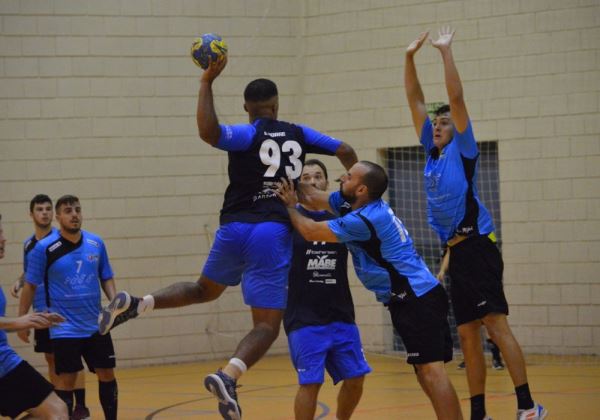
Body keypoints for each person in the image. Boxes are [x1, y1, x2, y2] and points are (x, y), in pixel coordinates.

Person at [97, 55, 357, 420]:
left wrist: (206, 82)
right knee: (266, 325)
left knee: (205, 289)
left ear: (248, 109)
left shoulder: (248, 133)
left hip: (233, 228)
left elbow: (209, 132)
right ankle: (228, 375)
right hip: (271, 230)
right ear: (277, 104)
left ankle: (141, 302)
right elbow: (345, 151)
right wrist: (351, 199)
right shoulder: (300, 133)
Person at [404, 26, 547, 420]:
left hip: (479, 245)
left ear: (457, 129)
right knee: (467, 335)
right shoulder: (430, 153)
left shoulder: (462, 149)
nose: (438, 125)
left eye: (445, 122)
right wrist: (408, 57)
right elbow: (415, 99)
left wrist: (445, 53)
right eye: (436, 123)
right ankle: (479, 413)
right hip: (456, 252)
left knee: (494, 324)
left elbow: (455, 97)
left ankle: (527, 407)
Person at [276, 161, 463, 420]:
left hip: (416, 298)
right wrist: (282, 171)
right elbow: (313, 196)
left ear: (362, 188)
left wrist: (288, 207)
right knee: (426, 372)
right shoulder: (356, 204)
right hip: (415, 296)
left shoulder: (364, 218)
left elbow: (310, 231)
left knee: (432, 372)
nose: (342, 177)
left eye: (349, 176)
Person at [19, 195, 120, 420]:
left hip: (96, 325)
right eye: (68, 211)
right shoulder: (44, 248)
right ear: (59, 217)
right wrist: (22, 321)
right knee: (66, 379)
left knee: (107, 373)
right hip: (64, 328)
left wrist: (114, 304)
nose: (74, 214)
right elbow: (30, 286)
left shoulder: (96, 243)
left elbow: (107, 276)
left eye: (77, 209)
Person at [285, 159, 371, 420]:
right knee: (311, 382)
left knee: (356, 378)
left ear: (325, 182)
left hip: (340, 313)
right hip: (304, 317)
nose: (312, 181)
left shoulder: (341, 218)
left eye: (318, 176)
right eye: (307, 177)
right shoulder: (286, 219)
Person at [11, 194, 90, 420]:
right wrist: (20, 281)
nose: (44, 213)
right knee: (51, 358)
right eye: (39, 209)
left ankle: (81, 407)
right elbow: (30, 272)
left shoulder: (60, 239)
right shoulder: (29, 245)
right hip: (41, 310)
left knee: (70, 361)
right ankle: (61, 404)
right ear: (31, 214)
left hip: (63, 311)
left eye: (48, 209)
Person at [0, 213, 69, 420]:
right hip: (4, 365)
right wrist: (19, 321)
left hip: (5, 361)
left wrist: (33, 319)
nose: (4, 238)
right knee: (56, 412)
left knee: (56, 412)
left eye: (2, 231)